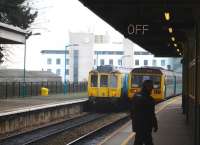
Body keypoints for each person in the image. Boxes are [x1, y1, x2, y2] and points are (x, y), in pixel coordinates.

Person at [130, 80, 158, 145]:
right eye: (151, 88)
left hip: (137, 124)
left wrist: (134, 120)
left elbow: (131, 110)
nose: (152, 90)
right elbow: (151, 114)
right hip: (146, 126)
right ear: (148, 88)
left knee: (138, 140)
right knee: (148, 141)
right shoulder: (149, 99)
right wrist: (155, 124)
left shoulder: (135, 96)